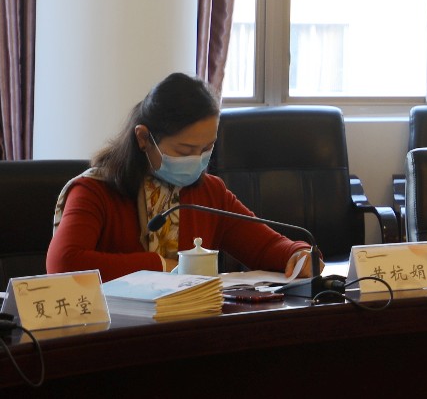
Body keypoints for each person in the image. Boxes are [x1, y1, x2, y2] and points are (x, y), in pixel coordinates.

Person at [47, 73, 316, 281]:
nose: (197, 159)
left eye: (207, 148)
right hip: (117, 329)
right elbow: (64, 264)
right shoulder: (94, 190)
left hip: (192, 327)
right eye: (185, 150)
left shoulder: (210, 192)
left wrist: (298, 254)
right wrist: (161, 265)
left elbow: (266, 246)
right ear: (143, 138)